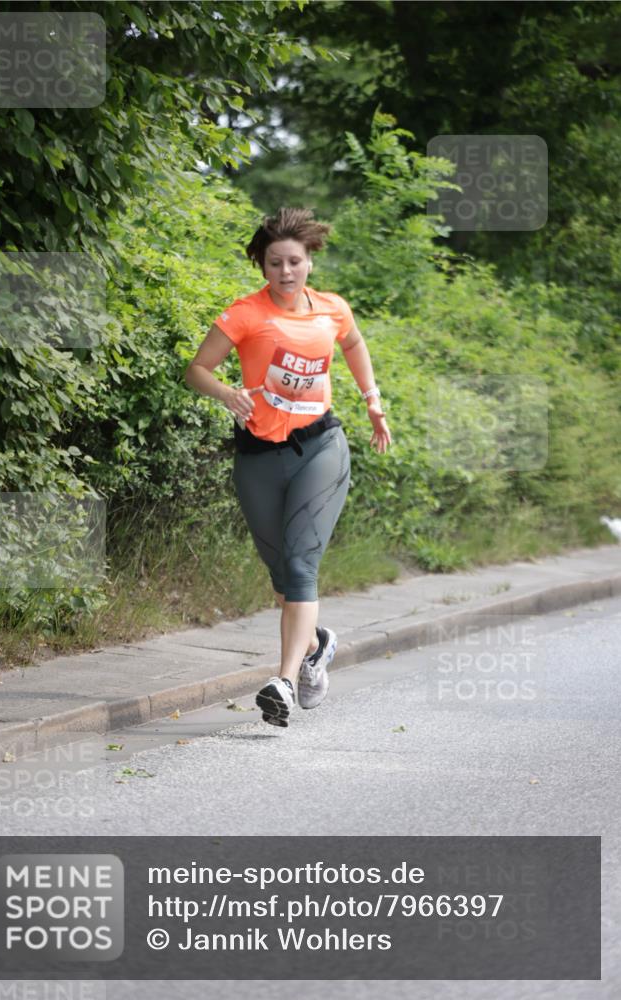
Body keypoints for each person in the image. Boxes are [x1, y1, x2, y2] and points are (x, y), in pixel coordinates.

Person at [185, 207, 391, 728]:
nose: (285, 272)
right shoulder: (244, 314)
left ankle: (283, 677)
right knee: (282, 579)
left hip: (321, 447)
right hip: (258, 455)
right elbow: (196, 370)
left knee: (301, 567)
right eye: (274, 263)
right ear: (263, 266)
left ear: (309, 262)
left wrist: (372, 400)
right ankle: (319, 643)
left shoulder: (332, 310)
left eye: (294, 261)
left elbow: (354, 343)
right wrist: (227, 392)